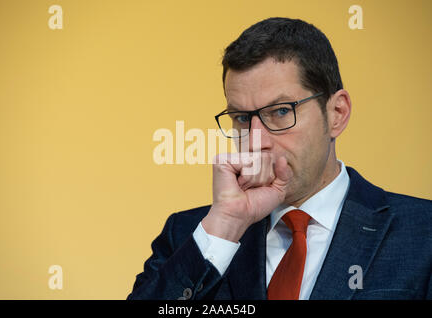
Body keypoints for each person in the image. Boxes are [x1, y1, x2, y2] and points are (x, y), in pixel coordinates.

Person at [128, 17, 432, 300]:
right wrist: (225, 227)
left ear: (336, 114)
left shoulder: (422, 233)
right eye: (242, 117)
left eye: (281, 111)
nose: (256, 140)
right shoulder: (191, 236)